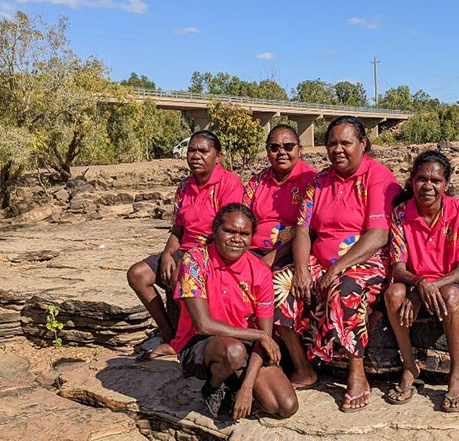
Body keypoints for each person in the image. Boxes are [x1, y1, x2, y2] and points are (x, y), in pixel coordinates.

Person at [274, 116, 401, 412]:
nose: (338, 150)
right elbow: (303, 228)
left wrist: (336, 268)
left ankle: (357, 373)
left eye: (346, 143)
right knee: (278, 284)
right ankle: (303, 368)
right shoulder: (319, 181)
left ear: (363, 144)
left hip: (366, 261)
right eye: (332, 143)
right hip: (321, 260)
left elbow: (378, 235)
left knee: (346, 289)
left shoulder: (378, 178)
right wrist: (303, 269)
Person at [170, 203, 298, 420]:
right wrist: (258, 334)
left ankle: (236, 381)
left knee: (285, 405)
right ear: (215, 230)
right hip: (200, 342)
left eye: (244, 234)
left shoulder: (260, 271)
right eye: (229, 231)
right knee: (233, 352)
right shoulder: (194, 261)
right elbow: (204, 325)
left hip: (244, 342)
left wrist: (247, 388)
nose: (236, 238)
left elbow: (264, 336)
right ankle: (214, 385)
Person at [127, 130, 244, 361]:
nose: (196, 155)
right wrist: (169, 254)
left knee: (181, 272)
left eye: (203, 151)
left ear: (217, 156)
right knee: (137, 274)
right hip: (184, 249)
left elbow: (228, 233)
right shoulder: (184, 187)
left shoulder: (229, 185)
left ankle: (187, 340)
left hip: (213, 253)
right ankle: (169, 336)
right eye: (192, 150)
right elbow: (178, 231)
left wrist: (187, 260)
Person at [384, 150, 459, 412]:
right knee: (393, 294)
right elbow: (398, 268)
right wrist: (419, 284)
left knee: (451, 294)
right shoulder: (400, 214)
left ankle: (456, 374)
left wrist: (422, 290)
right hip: (420, 283)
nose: (428, 186)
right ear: (412, 180)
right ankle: (409, 366)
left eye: (435, 181)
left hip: (456, 286)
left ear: (447, 184)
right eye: (421, 179)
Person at [243, 125, 317, 269]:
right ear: (267, 151)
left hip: (291, 254)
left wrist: (273, 257)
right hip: (253, 251)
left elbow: (313, 230)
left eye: (288, 146)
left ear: (299, 149)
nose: (281, 152)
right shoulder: (256, 182)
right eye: (274, 147)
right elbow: (243, 218)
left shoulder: (312, 180)